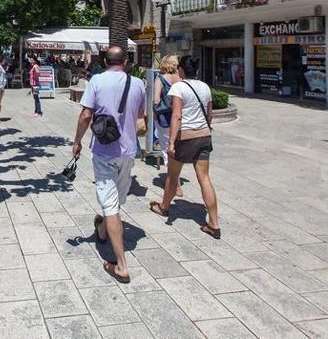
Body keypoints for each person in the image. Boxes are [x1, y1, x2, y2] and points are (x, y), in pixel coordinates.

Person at [73, 46, 146, 284]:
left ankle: (121, 265)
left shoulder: (96, 81)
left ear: (105, 61)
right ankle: (103, 229)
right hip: (127, 152)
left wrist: (77, 142)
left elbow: (86, 115)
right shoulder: (137, 84)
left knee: (111, 206)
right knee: (115, 201)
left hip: (104, 151)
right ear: (126, 61)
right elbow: (141, 120)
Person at [149, 55, 220, 239]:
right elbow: (209, 114)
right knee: (204, 178)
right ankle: (213, 223)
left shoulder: (178, 87)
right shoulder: (204, 86)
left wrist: (171, 142)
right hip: (204, 135)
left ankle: (164, 207)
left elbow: (177, 116)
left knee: (172, 176)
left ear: (181, 69)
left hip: (184, 136)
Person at [153, 56, 183, 197]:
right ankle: (175, 180)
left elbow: (156, 100)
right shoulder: (180, 80)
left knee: (167, 149)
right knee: (177, 149)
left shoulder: (160, 79)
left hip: (165, 120)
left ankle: (175, 185)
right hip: (180, 120)